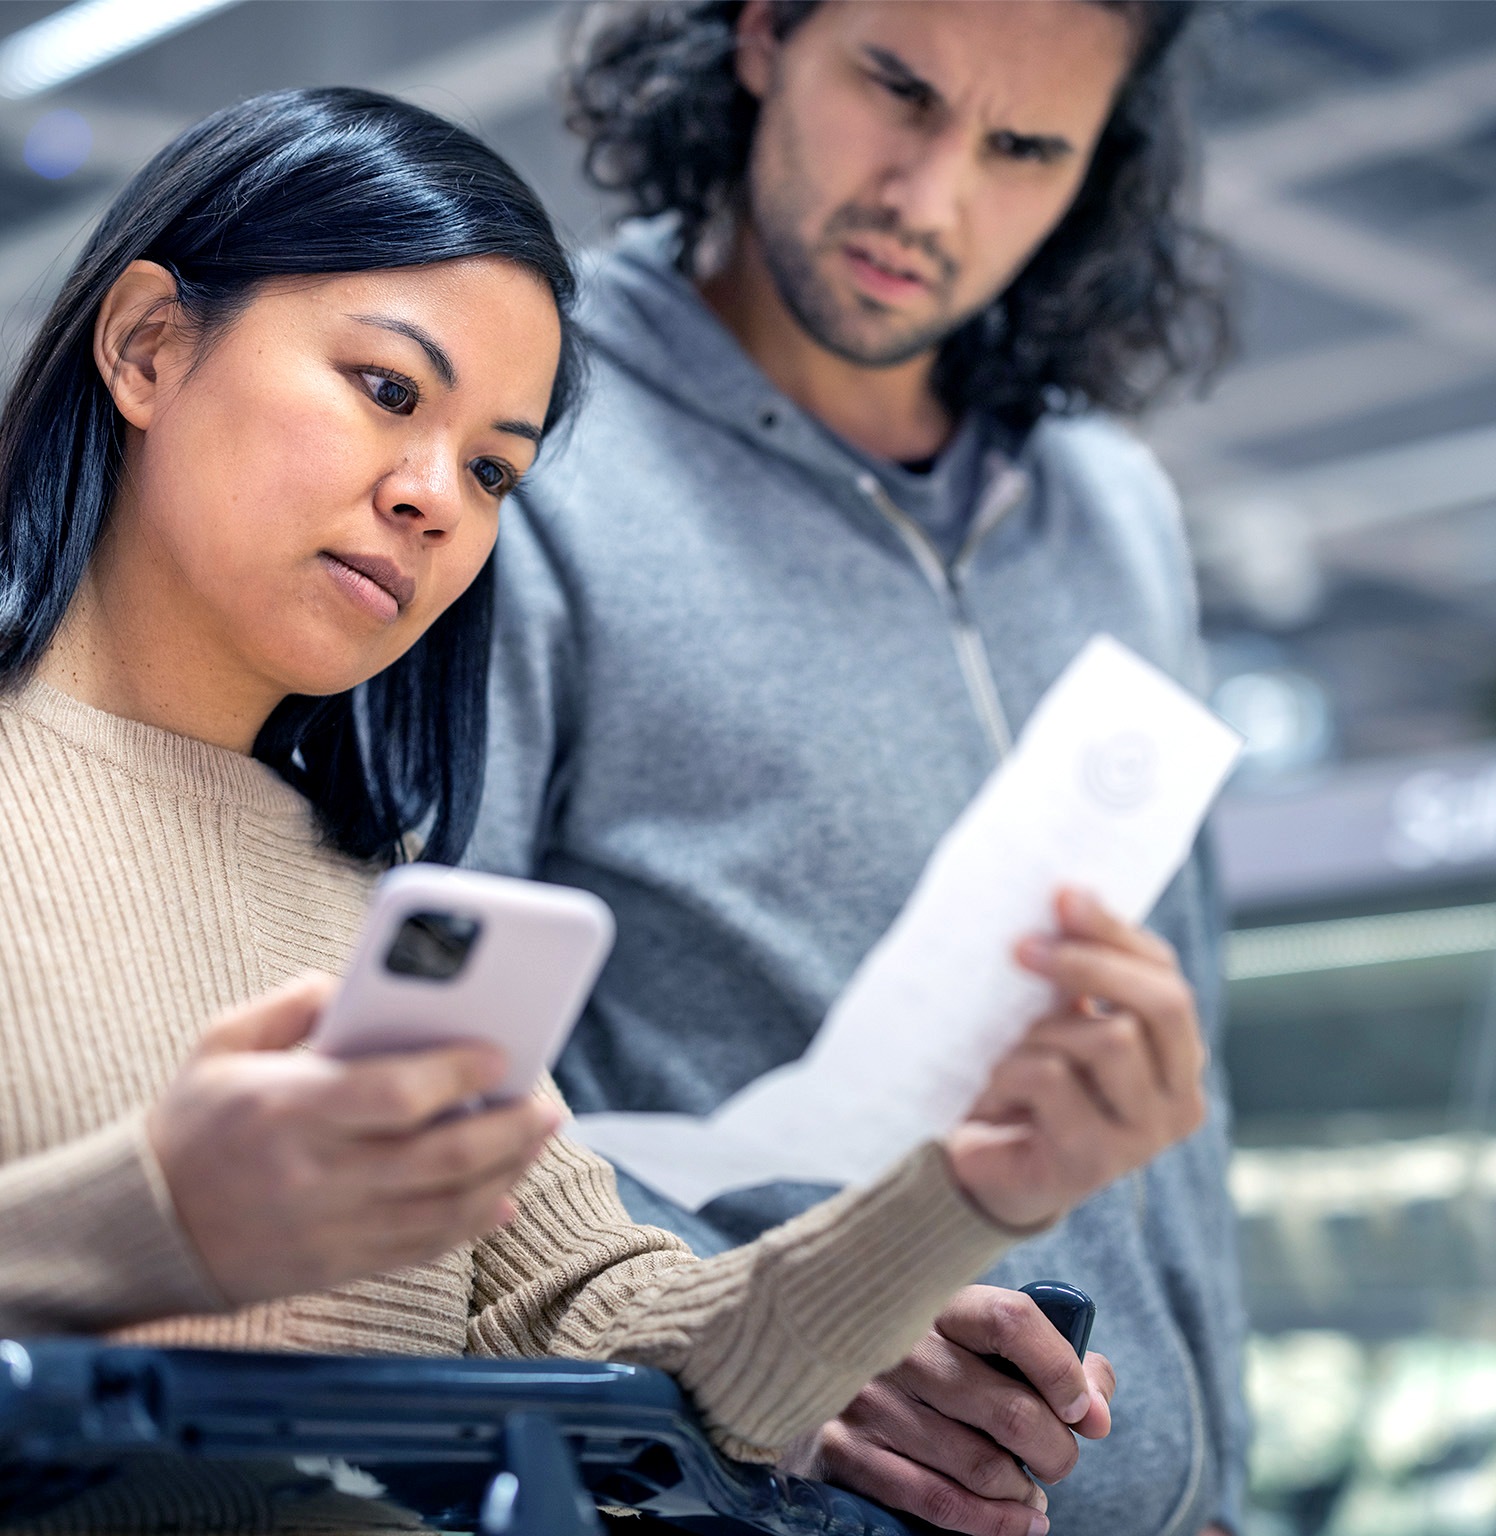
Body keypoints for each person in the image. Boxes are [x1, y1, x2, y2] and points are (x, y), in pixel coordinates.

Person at [0, 86, 1209, 1534]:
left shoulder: (381, 918)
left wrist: (971, 1189)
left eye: (497, 466)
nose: (437, 496)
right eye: (388, 389)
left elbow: (650, 1342)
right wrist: (156, 1221)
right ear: (147, 346)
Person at [467, 4, 1244, 1536]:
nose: (930, 195)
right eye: (897, 88)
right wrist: (784, 1323)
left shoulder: (1118, 513)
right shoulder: (529, 452)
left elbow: (1193, 1079)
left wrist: (1221, 1464)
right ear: (761, 34)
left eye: (1025, 148)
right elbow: (438, 1090)